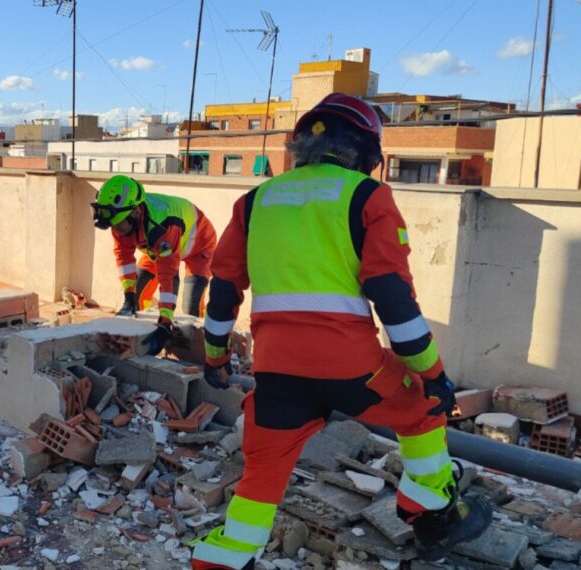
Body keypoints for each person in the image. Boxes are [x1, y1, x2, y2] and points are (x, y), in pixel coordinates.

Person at [190, 93, 493, 569]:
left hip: (275, 375)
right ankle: (432, 519)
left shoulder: (253, 202)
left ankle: (223, 559)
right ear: (367, 154)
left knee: (261, 475)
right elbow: (392, 298)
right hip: (354, 369)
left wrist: (214, 359)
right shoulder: (367, 196)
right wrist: (431, 373)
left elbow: (224, 290)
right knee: (421, 411)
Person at [92, 175, 217, 354]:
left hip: (198, 245)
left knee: (191, 308)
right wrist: (129, 297)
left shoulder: (162, 225)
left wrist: (165, 321)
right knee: (137, 294)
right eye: (112, 225)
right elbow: (124, 258)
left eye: (118, 225)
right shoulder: (119, 219)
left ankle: (195, 353)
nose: (116, 230)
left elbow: (169, 274)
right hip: (156, 249)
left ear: (135, 213)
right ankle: (143, 337)